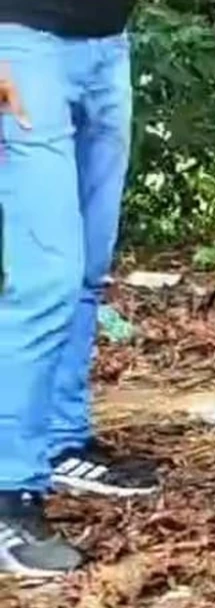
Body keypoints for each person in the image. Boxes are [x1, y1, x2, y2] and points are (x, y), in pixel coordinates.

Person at [0, 1, 158, 577]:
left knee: (89, 267)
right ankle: (7, 488)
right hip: (20, 43)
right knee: (46, 280)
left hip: (107, 42)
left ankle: (64, 443)